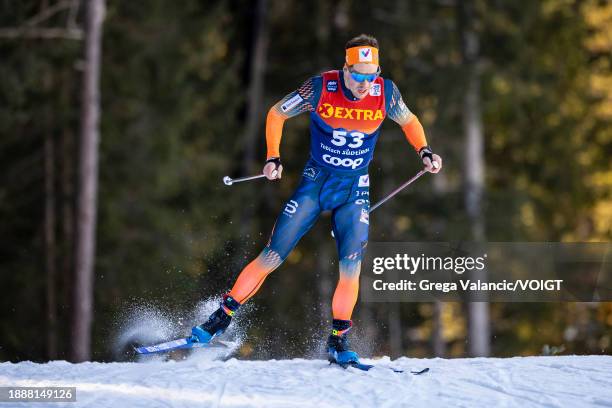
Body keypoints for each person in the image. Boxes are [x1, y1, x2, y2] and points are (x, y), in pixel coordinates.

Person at [191, 34, 442, 365]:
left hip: (354, 189)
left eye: (371, 75)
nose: (365, 83)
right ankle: (220, 318)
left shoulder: (386, 94)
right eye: (358, 74)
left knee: (351, 267)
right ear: (345, 68)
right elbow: (277, 113)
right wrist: (272, 157)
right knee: (273, 255)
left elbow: (410, 122)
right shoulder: (321, 88)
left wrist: (424, 151)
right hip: (316, 182)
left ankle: (338, 339)